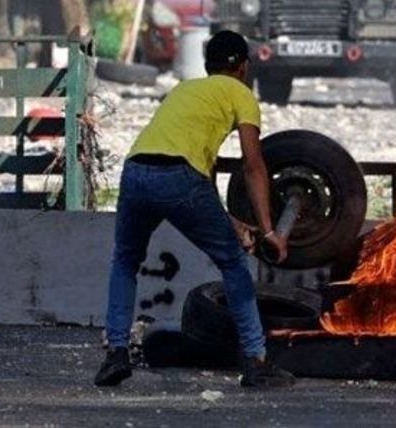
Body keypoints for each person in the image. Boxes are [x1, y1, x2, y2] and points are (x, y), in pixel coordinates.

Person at [94, 30, 295, 388]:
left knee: (125, 261)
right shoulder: (241, 94)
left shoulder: (184, 90)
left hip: (136, 171)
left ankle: (116, 354)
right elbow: (253, 165)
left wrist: (230, 221)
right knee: (233, 262)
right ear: (244, 67)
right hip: (179, 176)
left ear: (207, 65)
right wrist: (268, 231)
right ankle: (255, 359)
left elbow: (203, 181)